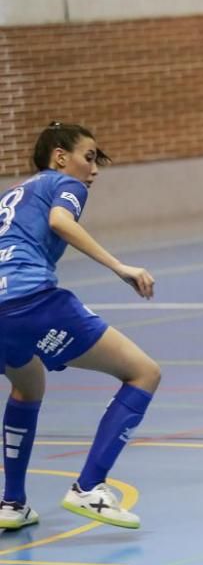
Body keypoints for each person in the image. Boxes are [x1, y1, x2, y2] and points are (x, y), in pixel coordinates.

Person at [0, 122, 161, 530]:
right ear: (59, 156)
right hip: (31, 301)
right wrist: (119, 266)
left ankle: (12, 503)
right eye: (88, 157)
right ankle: (89, 488)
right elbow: (60, 222)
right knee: (144, 372)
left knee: (28, 384)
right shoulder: (63, 185)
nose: (94, 169)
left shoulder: (12, 197)